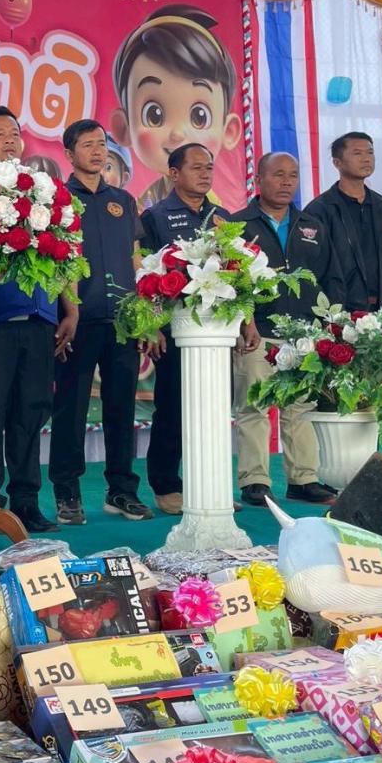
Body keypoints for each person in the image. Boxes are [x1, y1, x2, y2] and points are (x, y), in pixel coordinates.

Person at [49, 119, 151, 525]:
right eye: (87, 144)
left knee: (122, 409)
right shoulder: (57, 200)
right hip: (77, 321)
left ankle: (122, 491)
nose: (97, 151)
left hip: (122, 321)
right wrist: (70, 309)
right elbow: (57, 263)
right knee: (70, 408)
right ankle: (67, 493)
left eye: (101, 144)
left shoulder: (123, 201)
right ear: (69, 154)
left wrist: (144, 316)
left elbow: (136, 259)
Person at [233, 152, 339, 505]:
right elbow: (232, 283)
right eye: (278, 174)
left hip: (303, 333)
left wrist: (328, 327)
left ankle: (303, 479)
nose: (286, 182)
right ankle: (255, 482)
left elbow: (329, 277)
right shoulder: (237, 225)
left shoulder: (312, 225)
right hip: (258, 331)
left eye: (293, 175)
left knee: (300, 408)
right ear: (258, 179)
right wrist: (244, 323)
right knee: (254, 406)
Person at [0, 106, 59, 532]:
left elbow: (61, 251)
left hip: (40, 318)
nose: (10, 139)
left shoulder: (40, 191)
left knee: (31, 414)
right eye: (0, 133)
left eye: (15, 133)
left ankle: (27, 502)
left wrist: (66, 307)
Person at [140, 143, 232, 514]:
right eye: (196, 167)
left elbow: (238, 275)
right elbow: (144, 275)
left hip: (218, 331)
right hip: (176, 331)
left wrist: (246, 323)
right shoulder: (156, 217)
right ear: (174, 174)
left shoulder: (222, 218)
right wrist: (152, 326)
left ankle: (208, 487)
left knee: (214, 409)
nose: (205, 173)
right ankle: (166, 485)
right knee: (173, 408)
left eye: (209, 167)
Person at [109, 5, 242, 211]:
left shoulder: (217, 213)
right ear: (124, 128)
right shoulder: (144, 205)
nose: (178, 133)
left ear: (229, 131)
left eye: (199, 117)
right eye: (154, 115)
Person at [304, 132, 382, 319]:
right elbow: (312, 269)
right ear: (337, 162)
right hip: (340, 313)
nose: (366, 159)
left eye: (370, 152)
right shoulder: (320, 209)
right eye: (357, 153)